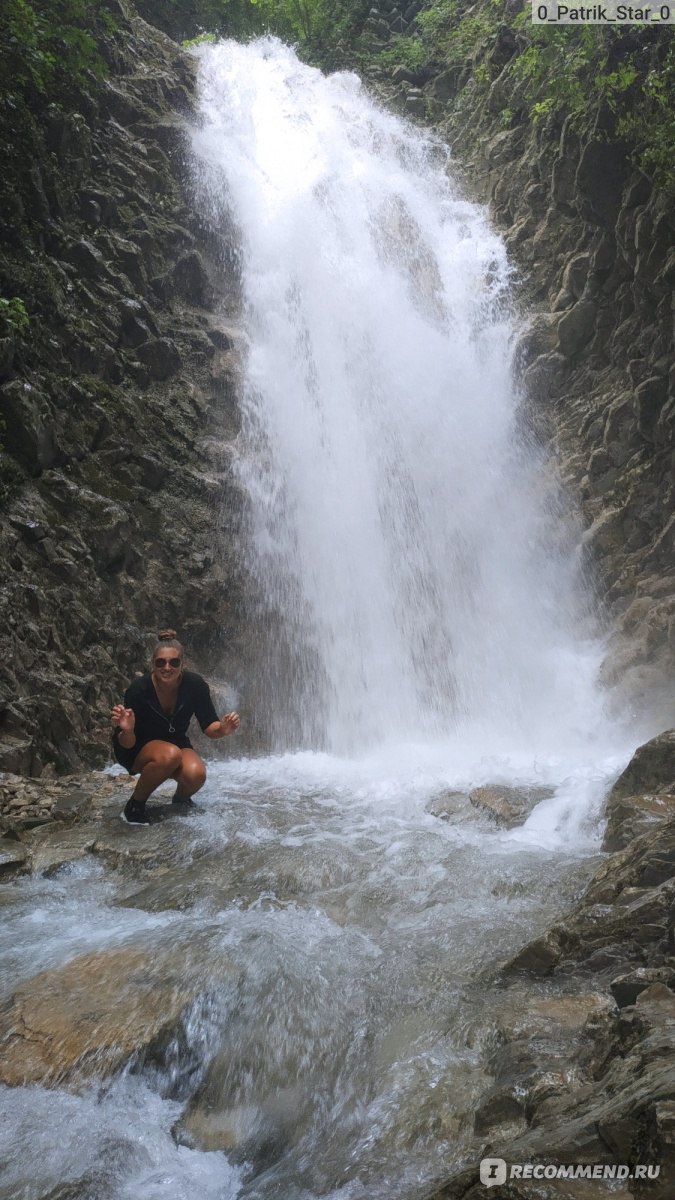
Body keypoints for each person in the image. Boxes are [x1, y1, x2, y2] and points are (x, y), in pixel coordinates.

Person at [111, 629, 240, 825]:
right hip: (137, 747)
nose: (167, 667)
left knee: (196, 774)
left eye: (174, 662)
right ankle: (135, 805)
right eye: (160, 662)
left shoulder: (195, 685)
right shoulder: (139, 689)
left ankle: (180, 801)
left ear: (183, 664)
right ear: (152, 664)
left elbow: (209, 726)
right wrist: (127, 729)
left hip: (175, 742)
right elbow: (127, 744)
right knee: (170, 755)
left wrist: (223, 729)